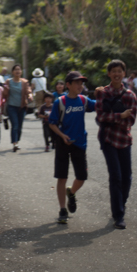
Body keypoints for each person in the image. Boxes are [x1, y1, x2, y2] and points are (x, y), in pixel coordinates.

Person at [49, 71, 97, 224]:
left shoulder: (83, 100)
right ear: (68, 85)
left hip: (80, 143)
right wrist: (62, 136)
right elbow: (52, 123)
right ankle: (63, 209)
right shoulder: (60, 102)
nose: (80, 85)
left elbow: (100, 105)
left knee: (82, 177)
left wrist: (103, 93)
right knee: (62, 176)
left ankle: (72, 192)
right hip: (63, 144)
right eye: (76, 82)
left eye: (81, 82)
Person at [95, 59, 137, 230]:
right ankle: (118, 215)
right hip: (108, 139)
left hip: (124, 139)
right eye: (114, 71)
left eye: (120, 71)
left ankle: (121, 202)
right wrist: (120, 116)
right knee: (116, 177)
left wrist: (114, 116)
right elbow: (100, 117)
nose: (117, 74)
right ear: (109, 74)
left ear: (124, 74)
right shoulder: (102, 93)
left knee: (127, 177)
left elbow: (132, 120)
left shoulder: (130, 95)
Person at [1, 64, 32, 152]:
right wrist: (6, 89)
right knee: (15, 125)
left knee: (19, 126)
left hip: (22, 107)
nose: (17, 71)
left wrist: (30, 96)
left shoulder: (24, 82)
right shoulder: (8, 82)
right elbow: (4, 95)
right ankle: (15, 143)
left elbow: (28, 91)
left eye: (19, 69)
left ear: (21, 71)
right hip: (11, 107)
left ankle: (17, 140)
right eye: (15, 70)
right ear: (12, 72)